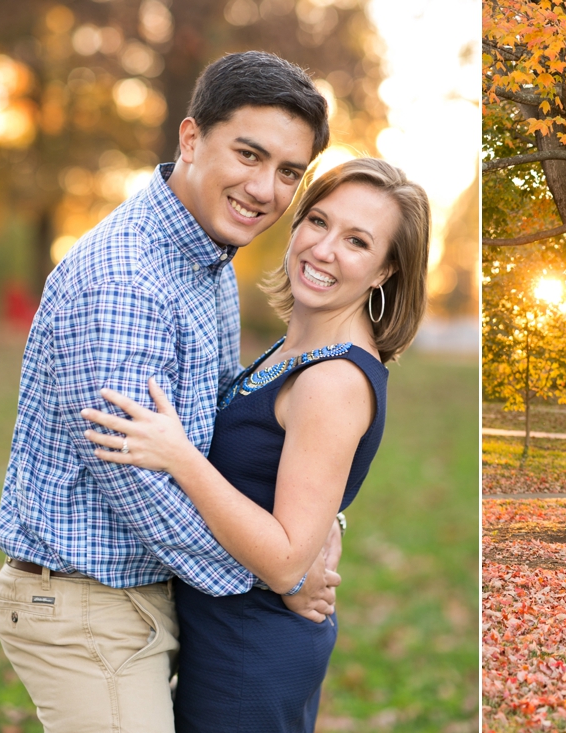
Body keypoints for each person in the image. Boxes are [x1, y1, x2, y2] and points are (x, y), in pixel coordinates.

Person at [0, 51, 339, 732]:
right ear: (190, 138)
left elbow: (216, 430)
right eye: (249, 153)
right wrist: (278, 575)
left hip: (148, 595)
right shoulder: (128, 280)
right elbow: (140, 488)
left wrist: (314, 523)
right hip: (84, 607)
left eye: (289, 172)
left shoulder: (207, 262)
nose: (266, 188)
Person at [80, 158, 431, 731]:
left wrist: (181, 458)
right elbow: (289, 490)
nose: (322, 249)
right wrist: (330, 525)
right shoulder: (294, 353)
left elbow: (290, 559)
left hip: (250, 649)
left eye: (357, 241)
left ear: (384, 271)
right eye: (318, 221)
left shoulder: (332, 380)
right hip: (220, 630)